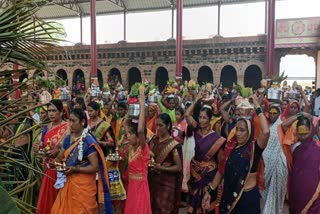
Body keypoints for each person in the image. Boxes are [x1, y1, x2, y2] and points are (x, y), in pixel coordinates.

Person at [202, 94, 270, 214]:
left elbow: (265, 131)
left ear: (250, 131)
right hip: (229, 196)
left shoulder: (254, 148)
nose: (238, 133)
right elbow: (221, 171)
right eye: (237, 129)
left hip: (248, 199)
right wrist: (211, 190)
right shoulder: (230, 147)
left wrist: (257, 105)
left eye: (242, 130)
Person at [50, 108, 112, 214]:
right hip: (68, 184)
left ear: (82, 122)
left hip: (83, 188)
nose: (70, 124)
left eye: (73, 121)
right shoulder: (68, 138)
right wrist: (53, 162)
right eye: (69, 120)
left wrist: (75, 169)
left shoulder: (88, 141)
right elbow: (59, 158)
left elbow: (95, 167)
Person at [185, 94, 225, 214]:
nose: (201, 120)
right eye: (200, 117)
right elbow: (187, 114)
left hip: (208, 177)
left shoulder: (217, 138)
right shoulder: (196, 130)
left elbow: (220, 162)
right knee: (193, 203)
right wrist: (196, 100)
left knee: (207, 206)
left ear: (210, 119)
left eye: (204, 118)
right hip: (195, 174)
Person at [34, 100, 69, 214]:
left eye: (54, 111)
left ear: (61, 112)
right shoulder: (46, 127)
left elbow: (69, 147)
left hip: (61, 169)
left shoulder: (67, 127)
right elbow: (43, 147)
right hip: (47, 169)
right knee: (47, 199)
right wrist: (38, 149)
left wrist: (57, 151)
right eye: (49, 111)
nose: (51, 114)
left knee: (59, 199)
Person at [124, 85, 152, 214]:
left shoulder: (143, 148)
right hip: (132, 187)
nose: (128, 136)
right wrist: (130, 103)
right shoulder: (131, 147)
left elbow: (141, 130)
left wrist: (141, 105)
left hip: (141, 187)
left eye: (130, 134)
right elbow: (125, 124)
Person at [149, 113, 183, 214]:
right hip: (152, 181)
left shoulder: (173, 144)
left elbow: (178, 167)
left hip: (166, 183)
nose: (158, 128)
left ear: (168, 126)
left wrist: (161, 168)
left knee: (164, 209)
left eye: (161, 125)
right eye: (157, 125)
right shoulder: (153, 140)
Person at [289, 116, 320, 213]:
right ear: (296, 131)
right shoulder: (294, 146)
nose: (303, 137)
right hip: (296, 186)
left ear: (311, 130)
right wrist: (300, 114)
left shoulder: (317, 146)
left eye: (305, 134)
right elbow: (283, 126)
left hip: (313, 190)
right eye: (300, 134)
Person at [261, 105, 288, 214]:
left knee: (274, 193)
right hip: (265, 164)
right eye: (270, 113)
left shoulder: (281, 126)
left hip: (277, 163)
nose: (272, 115)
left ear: (279, 114)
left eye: (275, 113)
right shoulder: (265, 125)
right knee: (263, 193)